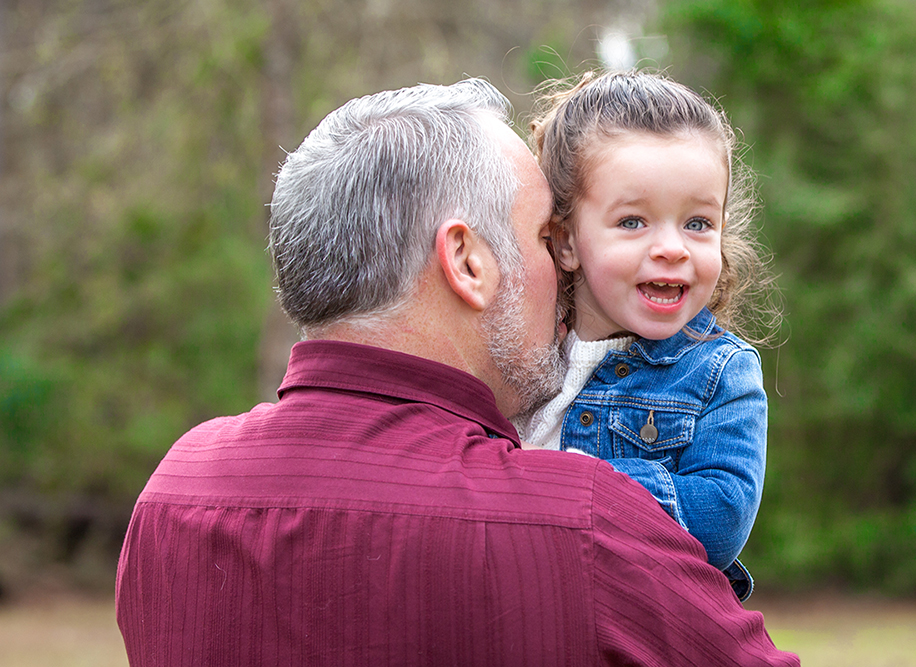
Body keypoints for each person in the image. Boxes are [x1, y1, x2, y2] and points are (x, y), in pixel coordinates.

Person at [115, 77, 798, 666]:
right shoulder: (582, 521)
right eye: (544, 239)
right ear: (468, 262)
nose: (563, 267)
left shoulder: (172, 494)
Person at [517, 70, 780, 601]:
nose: (672, 248)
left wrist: (579, 483)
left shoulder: (718, 373)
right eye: (634, 222)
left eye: (699, 223)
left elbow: (721, 517)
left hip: (642, 625)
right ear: (566, 242)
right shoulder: (519, 352)